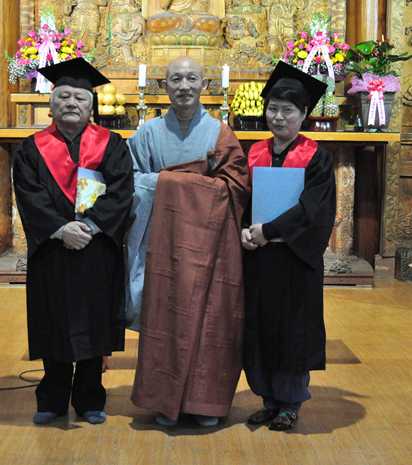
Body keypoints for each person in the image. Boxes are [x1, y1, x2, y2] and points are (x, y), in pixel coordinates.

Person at [126, 56, 250, 427]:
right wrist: (174, 184)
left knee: (209, 322)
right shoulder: (147, 133)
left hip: (210, 246)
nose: (184, 86)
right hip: (161, 243)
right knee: (164, 320)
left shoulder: (220, 133)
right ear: (163, 86)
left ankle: (204, 404)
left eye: (192, 78)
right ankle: (164, 403)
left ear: (205, 85)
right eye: (176, 79)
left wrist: (172, 183)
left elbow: (237, 186)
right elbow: (128, 180)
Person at [12, 58, 134, 426]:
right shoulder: (31, 148)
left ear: (91, 105)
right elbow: (29, 195)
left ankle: (90, 398)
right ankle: (52, 399)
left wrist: (91, 226)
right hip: (52, 250)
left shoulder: (111, 144)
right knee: (53, 321)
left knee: (95, 322)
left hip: (96, 250)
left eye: (80, 98)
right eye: (63, 96)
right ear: (50, 103)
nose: (71, 103)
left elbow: (121, 192)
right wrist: (61, 229)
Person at [241, 61, 336, 431]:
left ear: (304, 114)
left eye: (288, 111)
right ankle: (268, 400)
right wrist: (244, 231)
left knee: (292, 331)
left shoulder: (317, 157)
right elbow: (240, 200)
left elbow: (314, 209)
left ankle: (290, 403)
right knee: (260, 328)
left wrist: (269, 230)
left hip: (295, 259)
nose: (278, 117)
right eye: (273, 109)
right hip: (258, 258)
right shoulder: (253, 152)